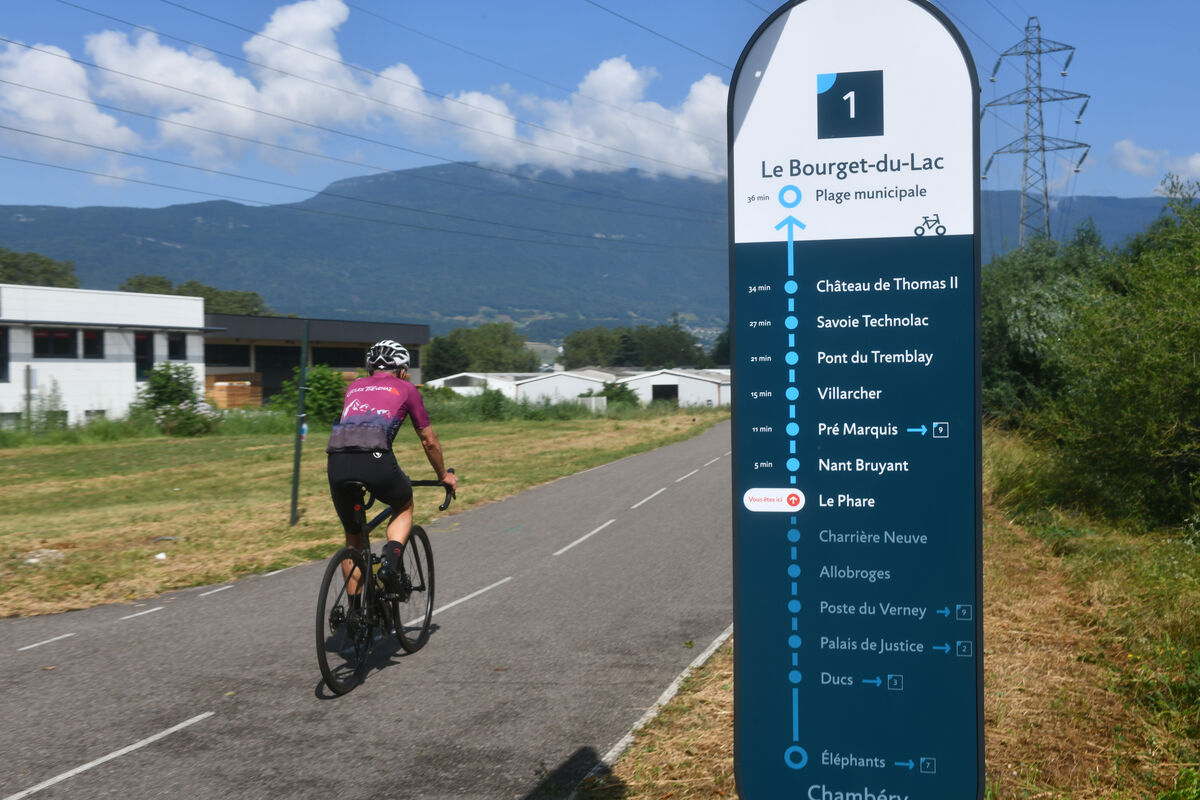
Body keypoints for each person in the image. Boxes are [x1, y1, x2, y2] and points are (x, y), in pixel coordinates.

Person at [326, 339, 457, 591]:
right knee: (403, 503)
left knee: (353, 540)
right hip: (375, 460)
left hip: (337, 462)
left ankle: (355, 619)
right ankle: (390, 564)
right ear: (403, 371)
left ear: (369, 369)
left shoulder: (353, 386)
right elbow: (429, 441)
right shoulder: (406, 389)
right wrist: (443, 475)